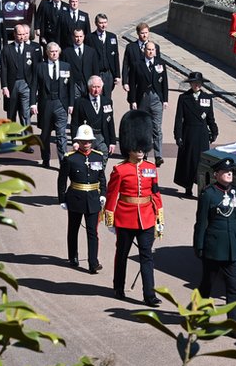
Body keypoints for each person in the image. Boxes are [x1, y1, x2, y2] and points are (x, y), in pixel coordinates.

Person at [104, 110, 164, 307]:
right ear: (129, 146)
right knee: (122, 253)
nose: (140, 150)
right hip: (126, 217)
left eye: (142, 147)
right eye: (136, 147)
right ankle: (118, 286)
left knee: (147, 256)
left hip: (146, 216)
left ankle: (149, 295)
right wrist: (110, 217)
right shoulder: (119, 170)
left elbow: (155, 193)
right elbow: (112, 194)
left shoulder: (151, 168)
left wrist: (159, 218)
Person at [193, 157, 236, 337]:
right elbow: (201, 222)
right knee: (207, 284)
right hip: (213, 247)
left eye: (231, 171)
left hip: (232, 248)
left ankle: (233, 324)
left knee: (232, 287)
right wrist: (199, 245)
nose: (230, 174)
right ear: (217, 175)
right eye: (225, 172)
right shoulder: (209, 194)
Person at [58, 125, 107, 274]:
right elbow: (62, 180)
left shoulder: (97, 156)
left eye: (89, 141)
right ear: (78, 141)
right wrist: (62, 199)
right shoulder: (70, 158)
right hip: (75, 197)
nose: (86, 144)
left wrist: (103, 194)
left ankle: (93, 262)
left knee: (92, 232)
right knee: (73, 229)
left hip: (92, 197)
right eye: (83, 141)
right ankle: (73, 256)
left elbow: (101, 178)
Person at [174, 72, 218, 197]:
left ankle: (202, 188)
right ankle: (188, 187)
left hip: (202, 134)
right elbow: (178, 119)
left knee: (201, 162)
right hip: (188, 132)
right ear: (190, 84)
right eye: (194, 82)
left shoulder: (207, 98)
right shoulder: (184, 97)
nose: (196, 85)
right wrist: (178, 135)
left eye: (198, 83)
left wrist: (214, 131)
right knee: (188, 160)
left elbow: (210, 117)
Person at [31, 42, 74, 168]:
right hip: (46, 104)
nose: (54, 54)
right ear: (47, 53)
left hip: (61, 104)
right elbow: (34, 86)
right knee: (45, 134)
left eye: (56, 51)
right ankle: (45, 158)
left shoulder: (66, 66)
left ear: (59, 52)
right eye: (51, 52)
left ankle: (63, 161)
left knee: (61, 135)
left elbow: (71, 87)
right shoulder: (40, 67)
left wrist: (71, 104)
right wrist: (33, 104)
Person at [128, 41, 169, 167]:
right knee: (144, 128)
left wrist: (165, 100)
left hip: (157, 98)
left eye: (153, 50)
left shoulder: (160, 64)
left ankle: (158, 156)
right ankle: (143, 152)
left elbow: (164, 83)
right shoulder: (137, 64)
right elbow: (133, 84)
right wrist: (133, 100)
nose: (151, 52)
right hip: (143, 98)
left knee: (157, 128)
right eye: (149, 49)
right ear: (144, 50)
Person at [0, 24, 41, 127]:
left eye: (23, 34)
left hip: (26, 85)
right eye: (19, 34)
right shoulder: (7, 49)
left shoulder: (30, 50)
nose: (22, 37)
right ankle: (12, 141)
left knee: (25, 114)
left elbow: (34, 70)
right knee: (11, 114)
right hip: (12, 85)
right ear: (14, 34)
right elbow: (4, 69)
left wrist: (34, 87)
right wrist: (4, 86)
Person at [70, 75, 116, 157]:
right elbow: (74, 123)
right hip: (87, 138)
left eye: (98, 87)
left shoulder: (107, 102)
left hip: (102, 137)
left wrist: (112, 142)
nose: (96, 90)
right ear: (89, 87)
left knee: (103, 155)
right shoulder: (80, 102)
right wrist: (75, 142)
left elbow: (110, 122)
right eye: (94, 87)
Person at [121, 22, 162, 105]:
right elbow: (126, 65)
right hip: (135, 84)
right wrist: (125, 82)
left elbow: (158, 65)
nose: (144, 35)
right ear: (138, 33)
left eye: (146, 33)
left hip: (151, 85)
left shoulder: (155, 47)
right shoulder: (130, 47)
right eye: (142, 33)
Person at [61, 28, 103, 100]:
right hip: (74, 85)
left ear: (84, 37)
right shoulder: (66, 52)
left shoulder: (91, 52)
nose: (78, 39)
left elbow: (95, 70)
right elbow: (63, 71)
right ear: (72, 37)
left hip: (88, 84)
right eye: (76, 36)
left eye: (80, 36)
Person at [86, 13, 121, 97]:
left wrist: (117, 75)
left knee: (107, 98)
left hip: (108, 74)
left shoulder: (112, 37)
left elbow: (116, 56)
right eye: (101, 23)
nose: (103, 25)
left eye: (105, 22)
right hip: (96, 73)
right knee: (96, 96)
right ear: (96, 23)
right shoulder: (90, 38)